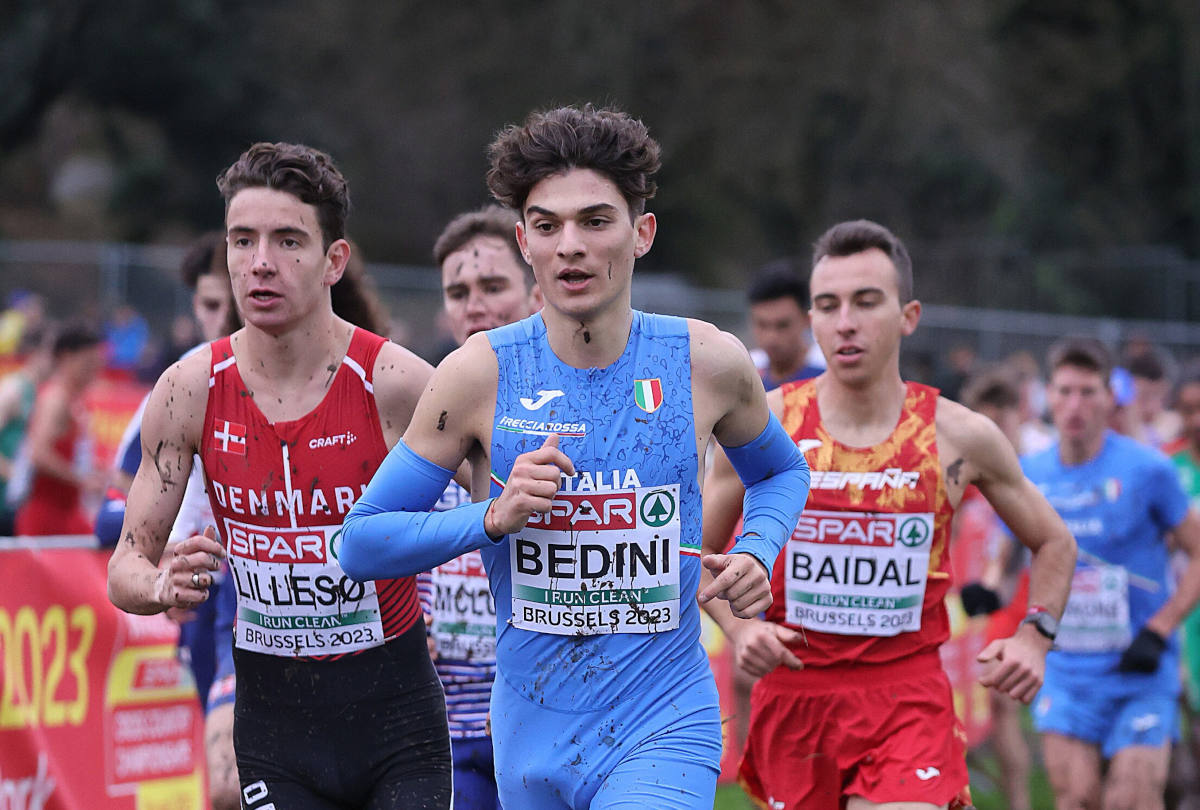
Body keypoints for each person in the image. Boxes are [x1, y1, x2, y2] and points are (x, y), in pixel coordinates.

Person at [338, 104, 810, 810]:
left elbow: (780, 471)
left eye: (596, 221)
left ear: (641, 232)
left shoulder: (706, 361)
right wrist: (491, 518)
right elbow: (361, 543)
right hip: (532, 736)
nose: (571, 247)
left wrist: (756, 548)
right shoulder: (477, 375)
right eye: (548, 225)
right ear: (524, 241)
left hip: (665, 720)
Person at [106, 141, 451, 809]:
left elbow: (501, 515)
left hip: (396, 719)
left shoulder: (397, 383)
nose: (260, 262)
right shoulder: (189, 390)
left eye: (288, 240)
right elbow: (126, 564)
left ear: (333, 261)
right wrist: (159, 583)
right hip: (274, 723)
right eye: (243, 240)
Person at [700, 219, 1077, 810]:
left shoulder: (960, 435)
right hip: (796, 701)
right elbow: (689, 556)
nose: (845, 321)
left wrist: (1036, 638)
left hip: (907, 699)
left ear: (909, 316)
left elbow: (1054, 541)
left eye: (866, 301)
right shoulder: (760, 430)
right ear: (812, 321)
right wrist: (743, 629)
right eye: (828, 305)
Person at [1026, 338, 1200, 810]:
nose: (1074, 405)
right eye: (1063, 391)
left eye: (1088, 392)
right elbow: (1006, 558)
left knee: (1132, 798)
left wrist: (1160, 630)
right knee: (1076, 797)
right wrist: (986, 587)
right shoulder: (1029, 474)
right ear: (1047, 396)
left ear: (1111, 398)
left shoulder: (1148, 470)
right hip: (1065, 674)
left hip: (1139, 673)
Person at [420, 203, 543, 810]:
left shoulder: (575, 428)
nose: (475, 305)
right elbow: (372, 539)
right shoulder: (418, 431)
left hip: (551, 719)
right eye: (458, 291)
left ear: (536, 291)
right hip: (447, 728)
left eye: (493, 286)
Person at [955, 367, 1034, 810]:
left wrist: (992, 583)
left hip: (1017, 600)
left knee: (1003, 706)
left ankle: (1019, 799)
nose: (989, 434)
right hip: (979, 603)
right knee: (987, 706)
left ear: (1014, 417)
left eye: (997, 423)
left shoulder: (1030, 467)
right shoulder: (970, 467)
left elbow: (1019, 540)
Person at [14, 324, 106, 536]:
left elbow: (68, 454)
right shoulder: (55, 399)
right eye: (88, 364)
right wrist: (82, 479)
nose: (94, 371)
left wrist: (92, 471)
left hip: (68, 513)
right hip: (45, 518)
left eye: (97, 364)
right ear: (66, 357)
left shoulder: (74, 400)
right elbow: (38, 454)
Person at [0, 327, 52, 534]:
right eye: (51, 352)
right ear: (35, 353)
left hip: (20, 504)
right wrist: (14, 474)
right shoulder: (13, 389)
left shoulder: (45, 392)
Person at [747, 260, 824, 391]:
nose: (771, 337)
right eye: (762, 325)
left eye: (782, 325)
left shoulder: (828, 370)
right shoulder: (746, 369)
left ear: (807, 320)